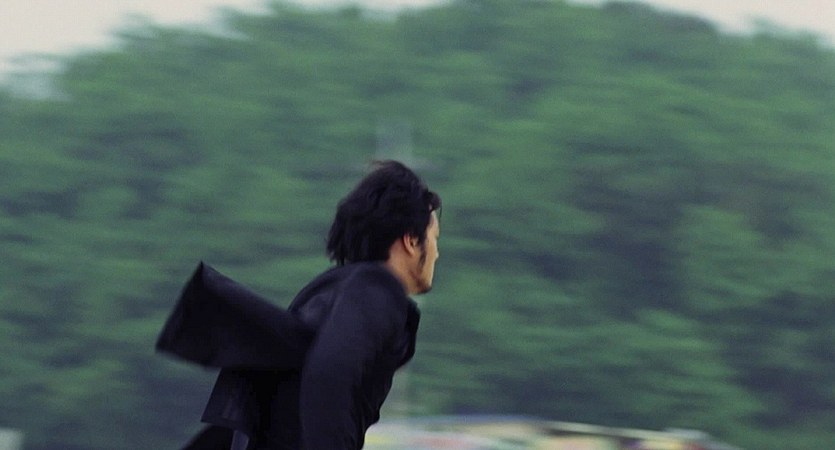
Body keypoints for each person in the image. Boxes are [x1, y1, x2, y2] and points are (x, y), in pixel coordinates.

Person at [156, 160, 441, 449]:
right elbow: (329, 374)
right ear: (410, 240)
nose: (437, 253)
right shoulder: (379, 291)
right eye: (434, 238)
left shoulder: (331, 294)